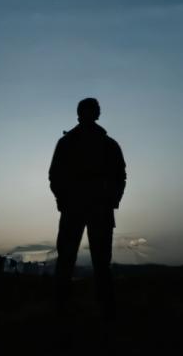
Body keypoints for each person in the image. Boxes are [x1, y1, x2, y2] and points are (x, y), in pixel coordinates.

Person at [49, 97, 127, 316]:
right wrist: (63, 201)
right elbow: (55, 176)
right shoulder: (71, 143)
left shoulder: (107, 144)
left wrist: (112, 200)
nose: (95, 113)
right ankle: (65, 309)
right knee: (70, 260)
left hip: (95, 209)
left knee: (97, 262)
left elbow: (120, 176)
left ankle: (99, 310)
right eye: (93, 110)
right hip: (80, 208)